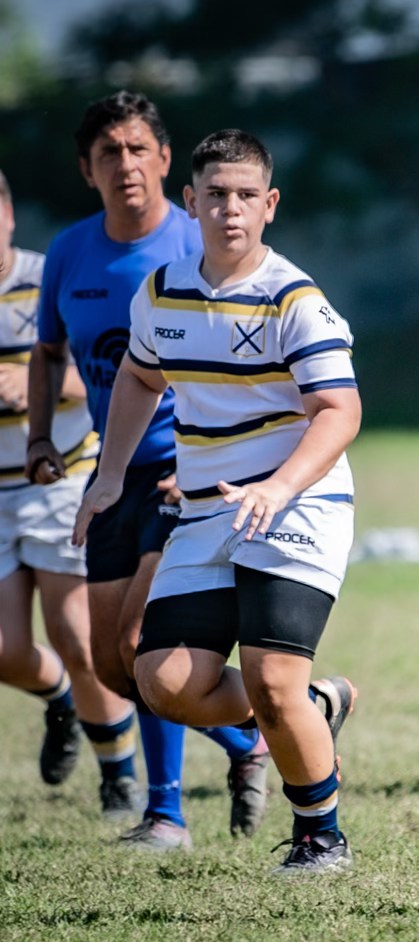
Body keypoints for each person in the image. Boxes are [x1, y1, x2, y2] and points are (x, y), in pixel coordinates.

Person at [74, 128, 361, 876]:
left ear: (270, 205)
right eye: (216, 195)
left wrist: (278, 485)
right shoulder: (160, 292)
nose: (230, 209)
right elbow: (140, 376)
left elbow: (340, 410)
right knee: (162, 681)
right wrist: (109, 475)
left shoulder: (294, 299)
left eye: (245, 196)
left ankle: (320, 836)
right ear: (190, 201)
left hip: (299, 503)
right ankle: (313, 706)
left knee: (270, 679)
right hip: (207, 510)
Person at [28, 91, 269, 846]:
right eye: (109, 152)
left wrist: (206, 455)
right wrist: (41, 437)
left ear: (166, 161)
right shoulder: (70, 251)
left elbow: (245, 361)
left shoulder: (200, 243)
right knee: (111, 663)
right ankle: (254, 738)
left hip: (186, 477)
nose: (125, 163)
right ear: (86, 169)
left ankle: (165, 812)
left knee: (141, 642)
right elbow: (48, 352)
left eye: (138, 148)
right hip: (112, 474)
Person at [0, 168, 140, 805]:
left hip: (61, 477)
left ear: (9, 215)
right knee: (6, 651)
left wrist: (40, 385)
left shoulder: (47, 276)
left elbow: (109, 371)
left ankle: (119, 778)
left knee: (77, 637)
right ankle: (60, 700)